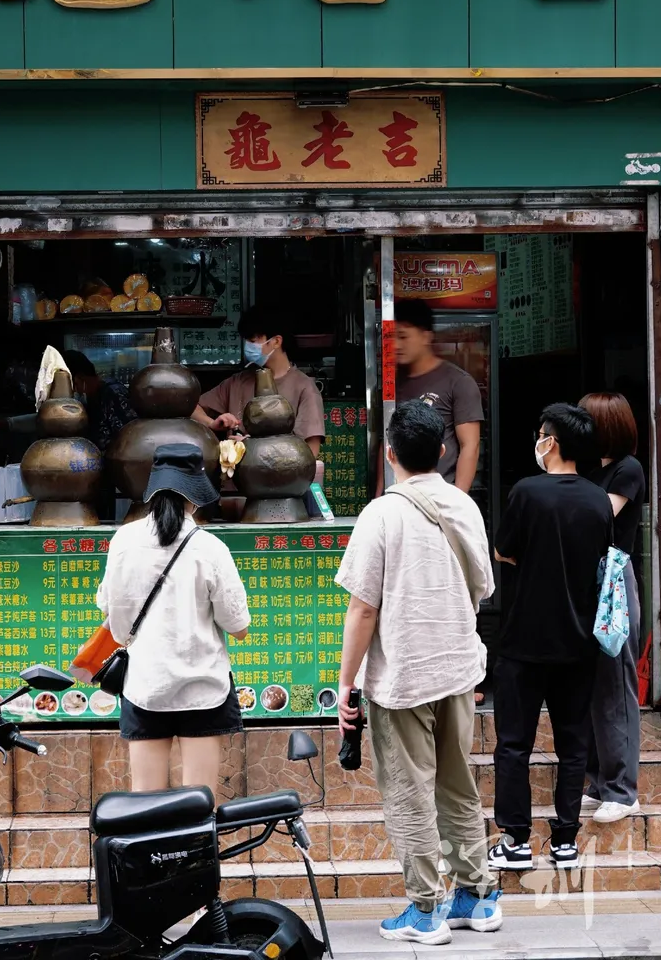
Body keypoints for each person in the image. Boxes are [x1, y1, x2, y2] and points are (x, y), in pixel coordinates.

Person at [336, 400, 500, 945]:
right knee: (458, 787)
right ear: (444, 451)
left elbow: (362, 609)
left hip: (403, 677)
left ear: (389, 454)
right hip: (457, 670)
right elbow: (483, 589)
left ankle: (426, 909)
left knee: (410, 792)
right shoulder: (464, 506)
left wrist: (345, 683)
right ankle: (477, 897)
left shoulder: (381, 514)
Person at [489, 404, 613, 873]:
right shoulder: (598, 499)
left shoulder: (527, 492)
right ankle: (565, 840)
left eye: (541, 434)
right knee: (573, 744)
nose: (538, 441)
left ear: (552, 441)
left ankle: (516, 840)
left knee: (513, 743)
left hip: (523, 640)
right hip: (580, 643)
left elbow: (503, 550)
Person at [96, 443, 250, 797]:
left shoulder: (123, 541)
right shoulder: (210, 548)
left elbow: (108, 609)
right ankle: (195, 855)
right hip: (203, 691)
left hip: (145, 686)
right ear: (195, 496)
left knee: (146, 804)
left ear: (153, 489)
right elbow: (238, 627)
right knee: (199, 805)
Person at [579, 392, 645, 824]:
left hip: (614, 584)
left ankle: (622, 790)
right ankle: (598, 781)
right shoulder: (587, 470)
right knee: (590, 685)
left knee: (616, 684)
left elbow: (597, 515)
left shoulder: (628, 469)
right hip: (588, 581)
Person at [375, 299, 483, 495]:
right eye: (392, 337)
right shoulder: (393, 384)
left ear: (425, 336)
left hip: (439, 499)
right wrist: (380, 495)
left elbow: (471, 446)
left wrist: (457, 500)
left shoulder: (458, 382)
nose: (396, 345)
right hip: (399, 498)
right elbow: (387, 441)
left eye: (403, 336)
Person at [192, 306, 325, 457]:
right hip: (235, 480)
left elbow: (310, 453)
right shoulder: (237, 382)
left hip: (279, 479)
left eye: (253, 341)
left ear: (276, 341)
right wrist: (211, 423)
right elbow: (191, 407)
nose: (248, 346)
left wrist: (254, 449)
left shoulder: (304, 387)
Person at [61, 350, 136, 453]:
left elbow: (128, 438)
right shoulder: (91, 400)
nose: (74, 391)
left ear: (80, 378)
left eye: (75, 385)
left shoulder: (113, 394)